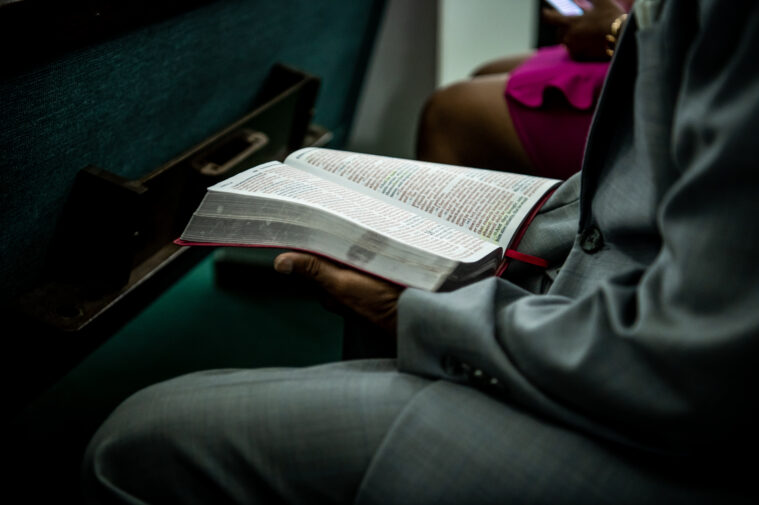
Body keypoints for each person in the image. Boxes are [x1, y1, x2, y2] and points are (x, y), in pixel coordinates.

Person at [83, 1, 758, 503]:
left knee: (133, 440)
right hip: (620, 292)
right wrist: (526, 224)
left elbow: (690, 363)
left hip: (664, 434)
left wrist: (423, 314)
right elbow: (660, 194)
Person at [417, 0, 633, 180]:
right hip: (632, 46)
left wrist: (616, 26)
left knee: (449, 113)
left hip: (647, 89)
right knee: (485, 72)